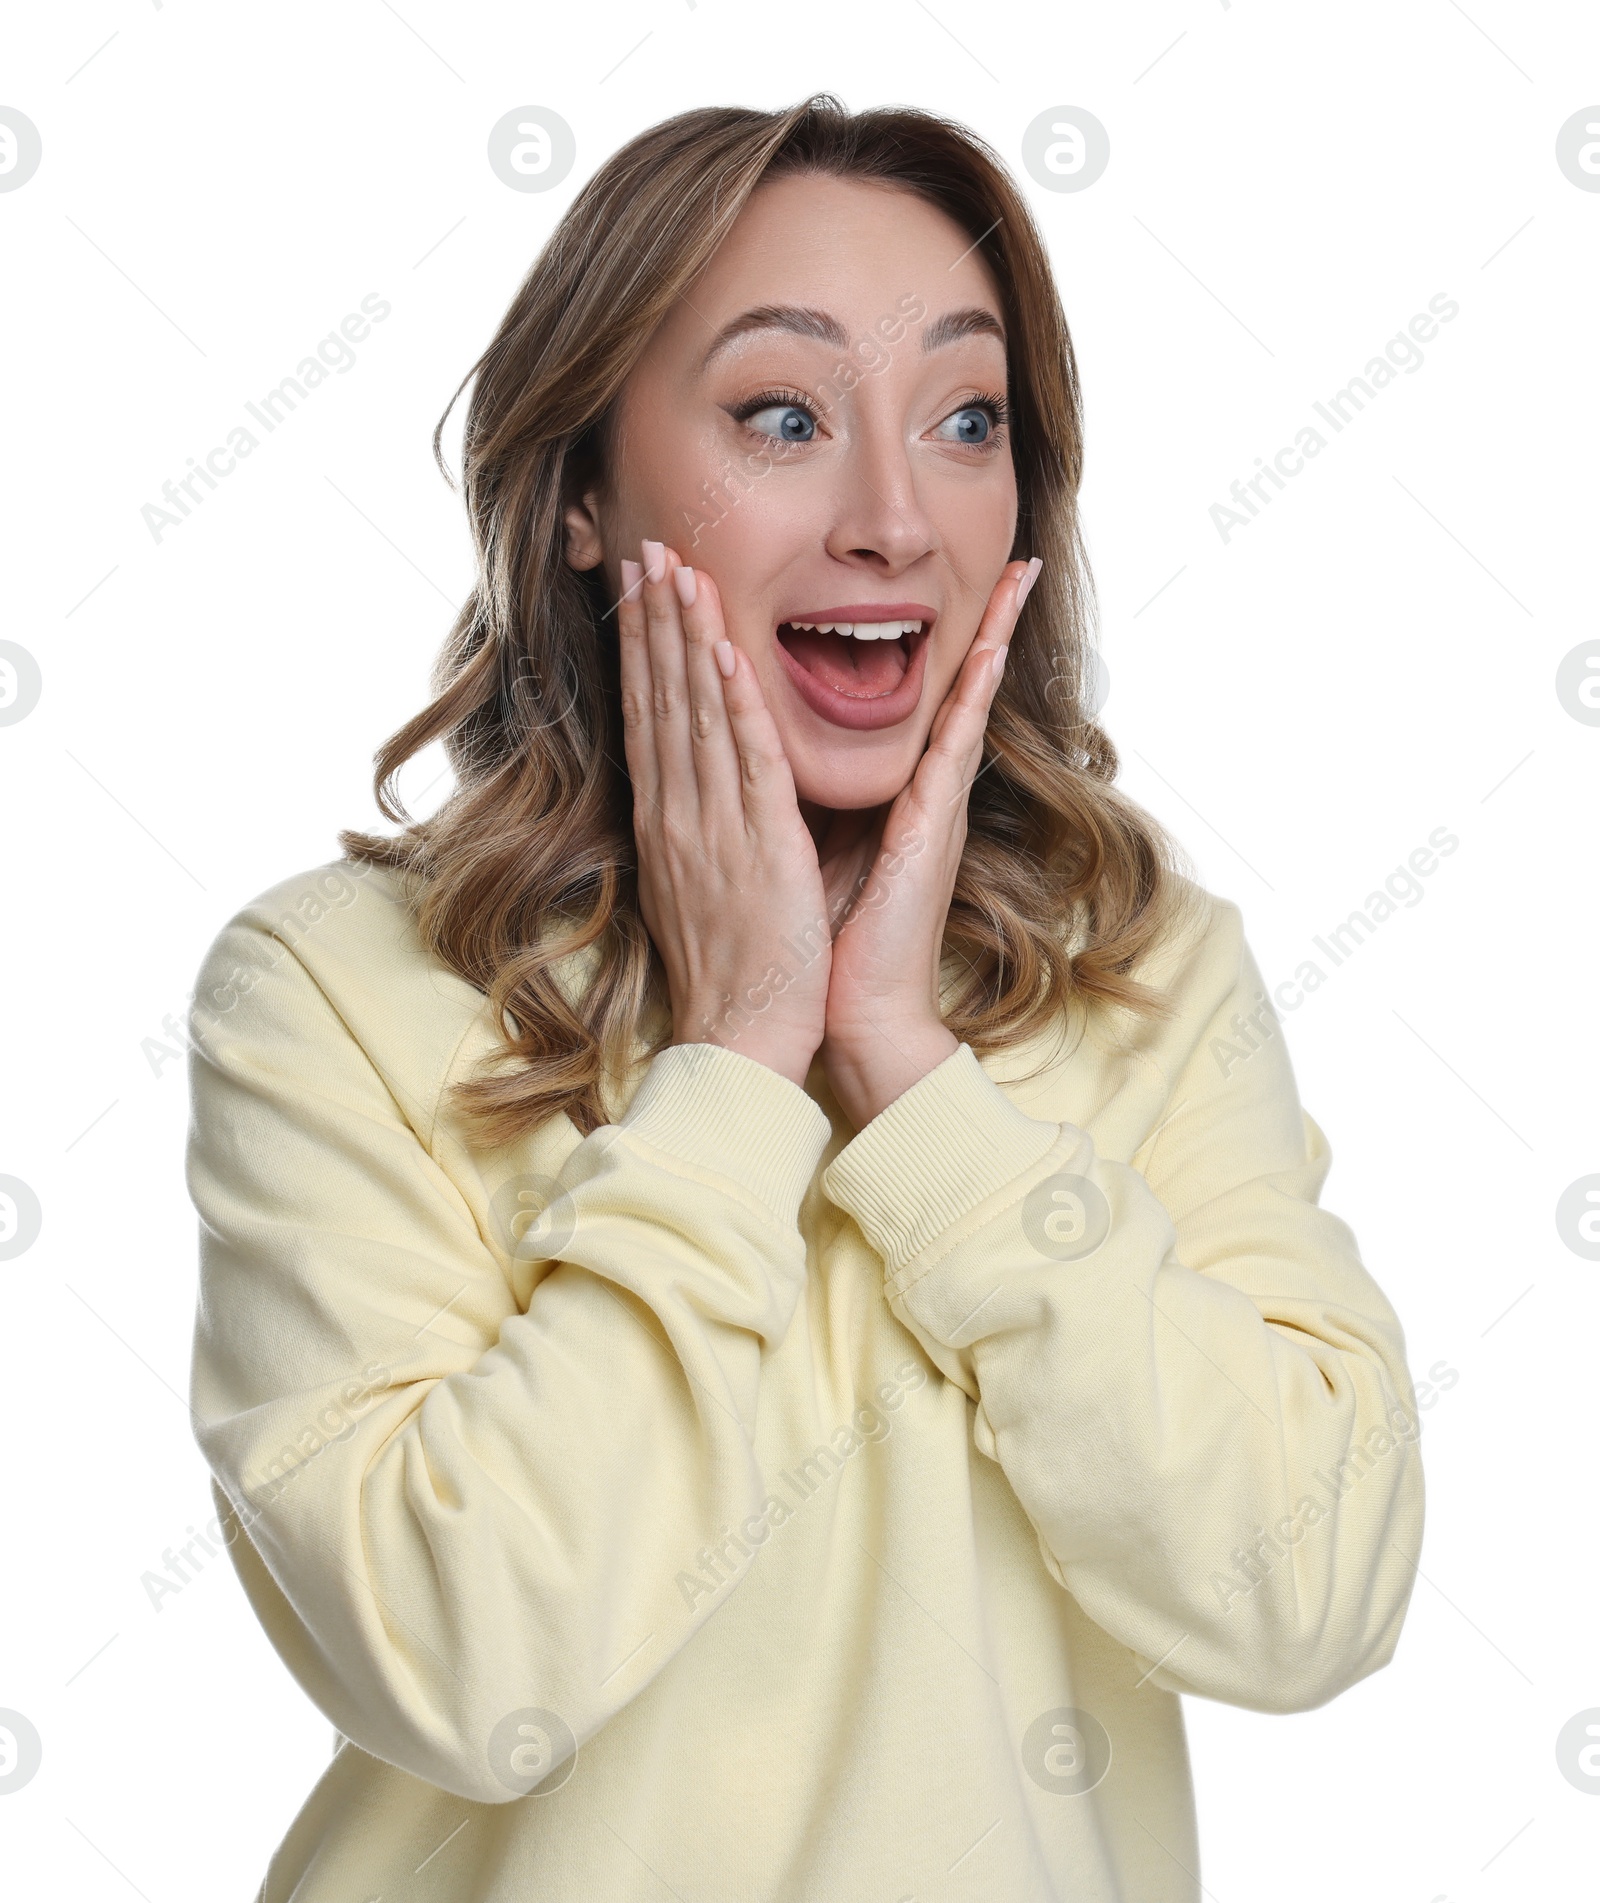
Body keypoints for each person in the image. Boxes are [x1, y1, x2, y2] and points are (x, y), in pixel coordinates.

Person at [184, 95, 1425, 1903]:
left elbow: (1312, 1596)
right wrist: (740, 1061)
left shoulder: (1146, 977)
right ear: (586, 492)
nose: (891, 518)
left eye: (966, 419)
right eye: (783, 415)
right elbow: (462, 1670)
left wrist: (918, 1091)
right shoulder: (333, 993)